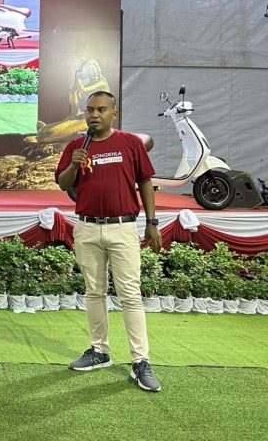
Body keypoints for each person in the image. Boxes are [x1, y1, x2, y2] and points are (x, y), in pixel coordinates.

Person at [54, 90, 163, 393]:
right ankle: (99, 351)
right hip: (87, 228)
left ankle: (140, 361)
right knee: (94, 292)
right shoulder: (76, 146)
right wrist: (74, 165)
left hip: (122, 228)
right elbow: (63, 184)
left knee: (130, 295)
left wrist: (152, 222)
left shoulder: (130, 143)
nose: (94, 114)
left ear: (114, 114)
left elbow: (145, 182)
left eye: (101, 109)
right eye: (90, 109)